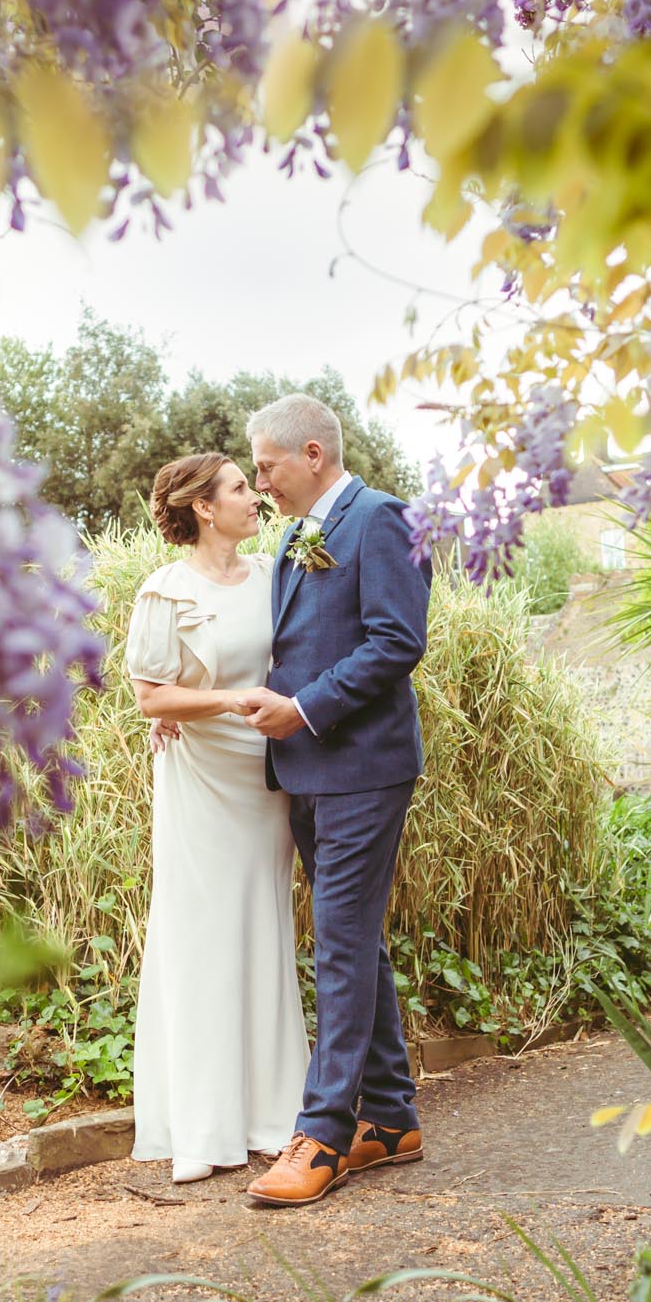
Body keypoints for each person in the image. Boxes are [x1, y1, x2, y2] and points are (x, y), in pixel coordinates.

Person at [234, 392, 432, 1208]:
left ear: (311, 453)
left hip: (362, 769)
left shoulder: (380, 518)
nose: (260, 483)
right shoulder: (296, 536)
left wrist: (306, 708)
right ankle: (390, 1118)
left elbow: (398, 640)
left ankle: (322, 1133)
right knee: (357, 941)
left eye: (267, 466)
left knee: (342, 948)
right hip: (308, 772)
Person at [122, 452, 310, 1185]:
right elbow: (150, 698)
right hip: (202, 779)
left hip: (269, 778)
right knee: (202, 936)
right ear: (204, 506)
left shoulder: (272, 575)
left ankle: (274, 1116)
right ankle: (203, 1128)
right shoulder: (164, 591)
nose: (254, 497)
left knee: (264, 926)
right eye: (240, 488)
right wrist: (228, 700)